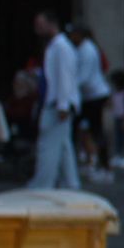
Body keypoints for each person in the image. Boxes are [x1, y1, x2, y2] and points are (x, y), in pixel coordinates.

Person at [28, 12, 81, 190]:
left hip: (57, 104)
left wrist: (63, 105)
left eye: (40, 25)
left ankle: (43, 184)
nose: (37, 29)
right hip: (56, 102)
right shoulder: (54, 47)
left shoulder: (61, 48)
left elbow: (65, 77)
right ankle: (71, 183)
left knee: (48, 146)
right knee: (63, 145)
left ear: (52, 24)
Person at [69, 23, 113, 184]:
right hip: (89, 96)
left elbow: (84, 77)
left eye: (73, 34)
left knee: (96, 130)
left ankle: (105, 168)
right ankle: (90, 162)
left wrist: (68, 87)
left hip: (94, 96)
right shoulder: (82, 48)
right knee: (84, 130)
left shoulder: (87, 50)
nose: (71, 38)